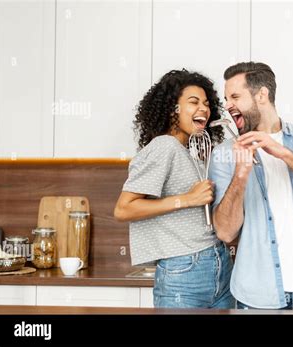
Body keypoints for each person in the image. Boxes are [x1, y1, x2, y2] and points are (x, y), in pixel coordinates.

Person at [209, 62, 293, 310]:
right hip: (258, 294)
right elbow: (225, 232)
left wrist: (284, 154)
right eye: (226, 98)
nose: (228, 105)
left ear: (262, 94)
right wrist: (241, 174)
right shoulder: (224, 153)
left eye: (235, 96)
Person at [114, 69, 234, 309]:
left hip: (219, 264)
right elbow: (123, 209)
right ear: (172, 109)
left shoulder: (191, 152)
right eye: (193, 102)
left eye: (207, 103)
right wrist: (187, 199)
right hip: (184, 270)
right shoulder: (164, 146)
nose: (204, 108)